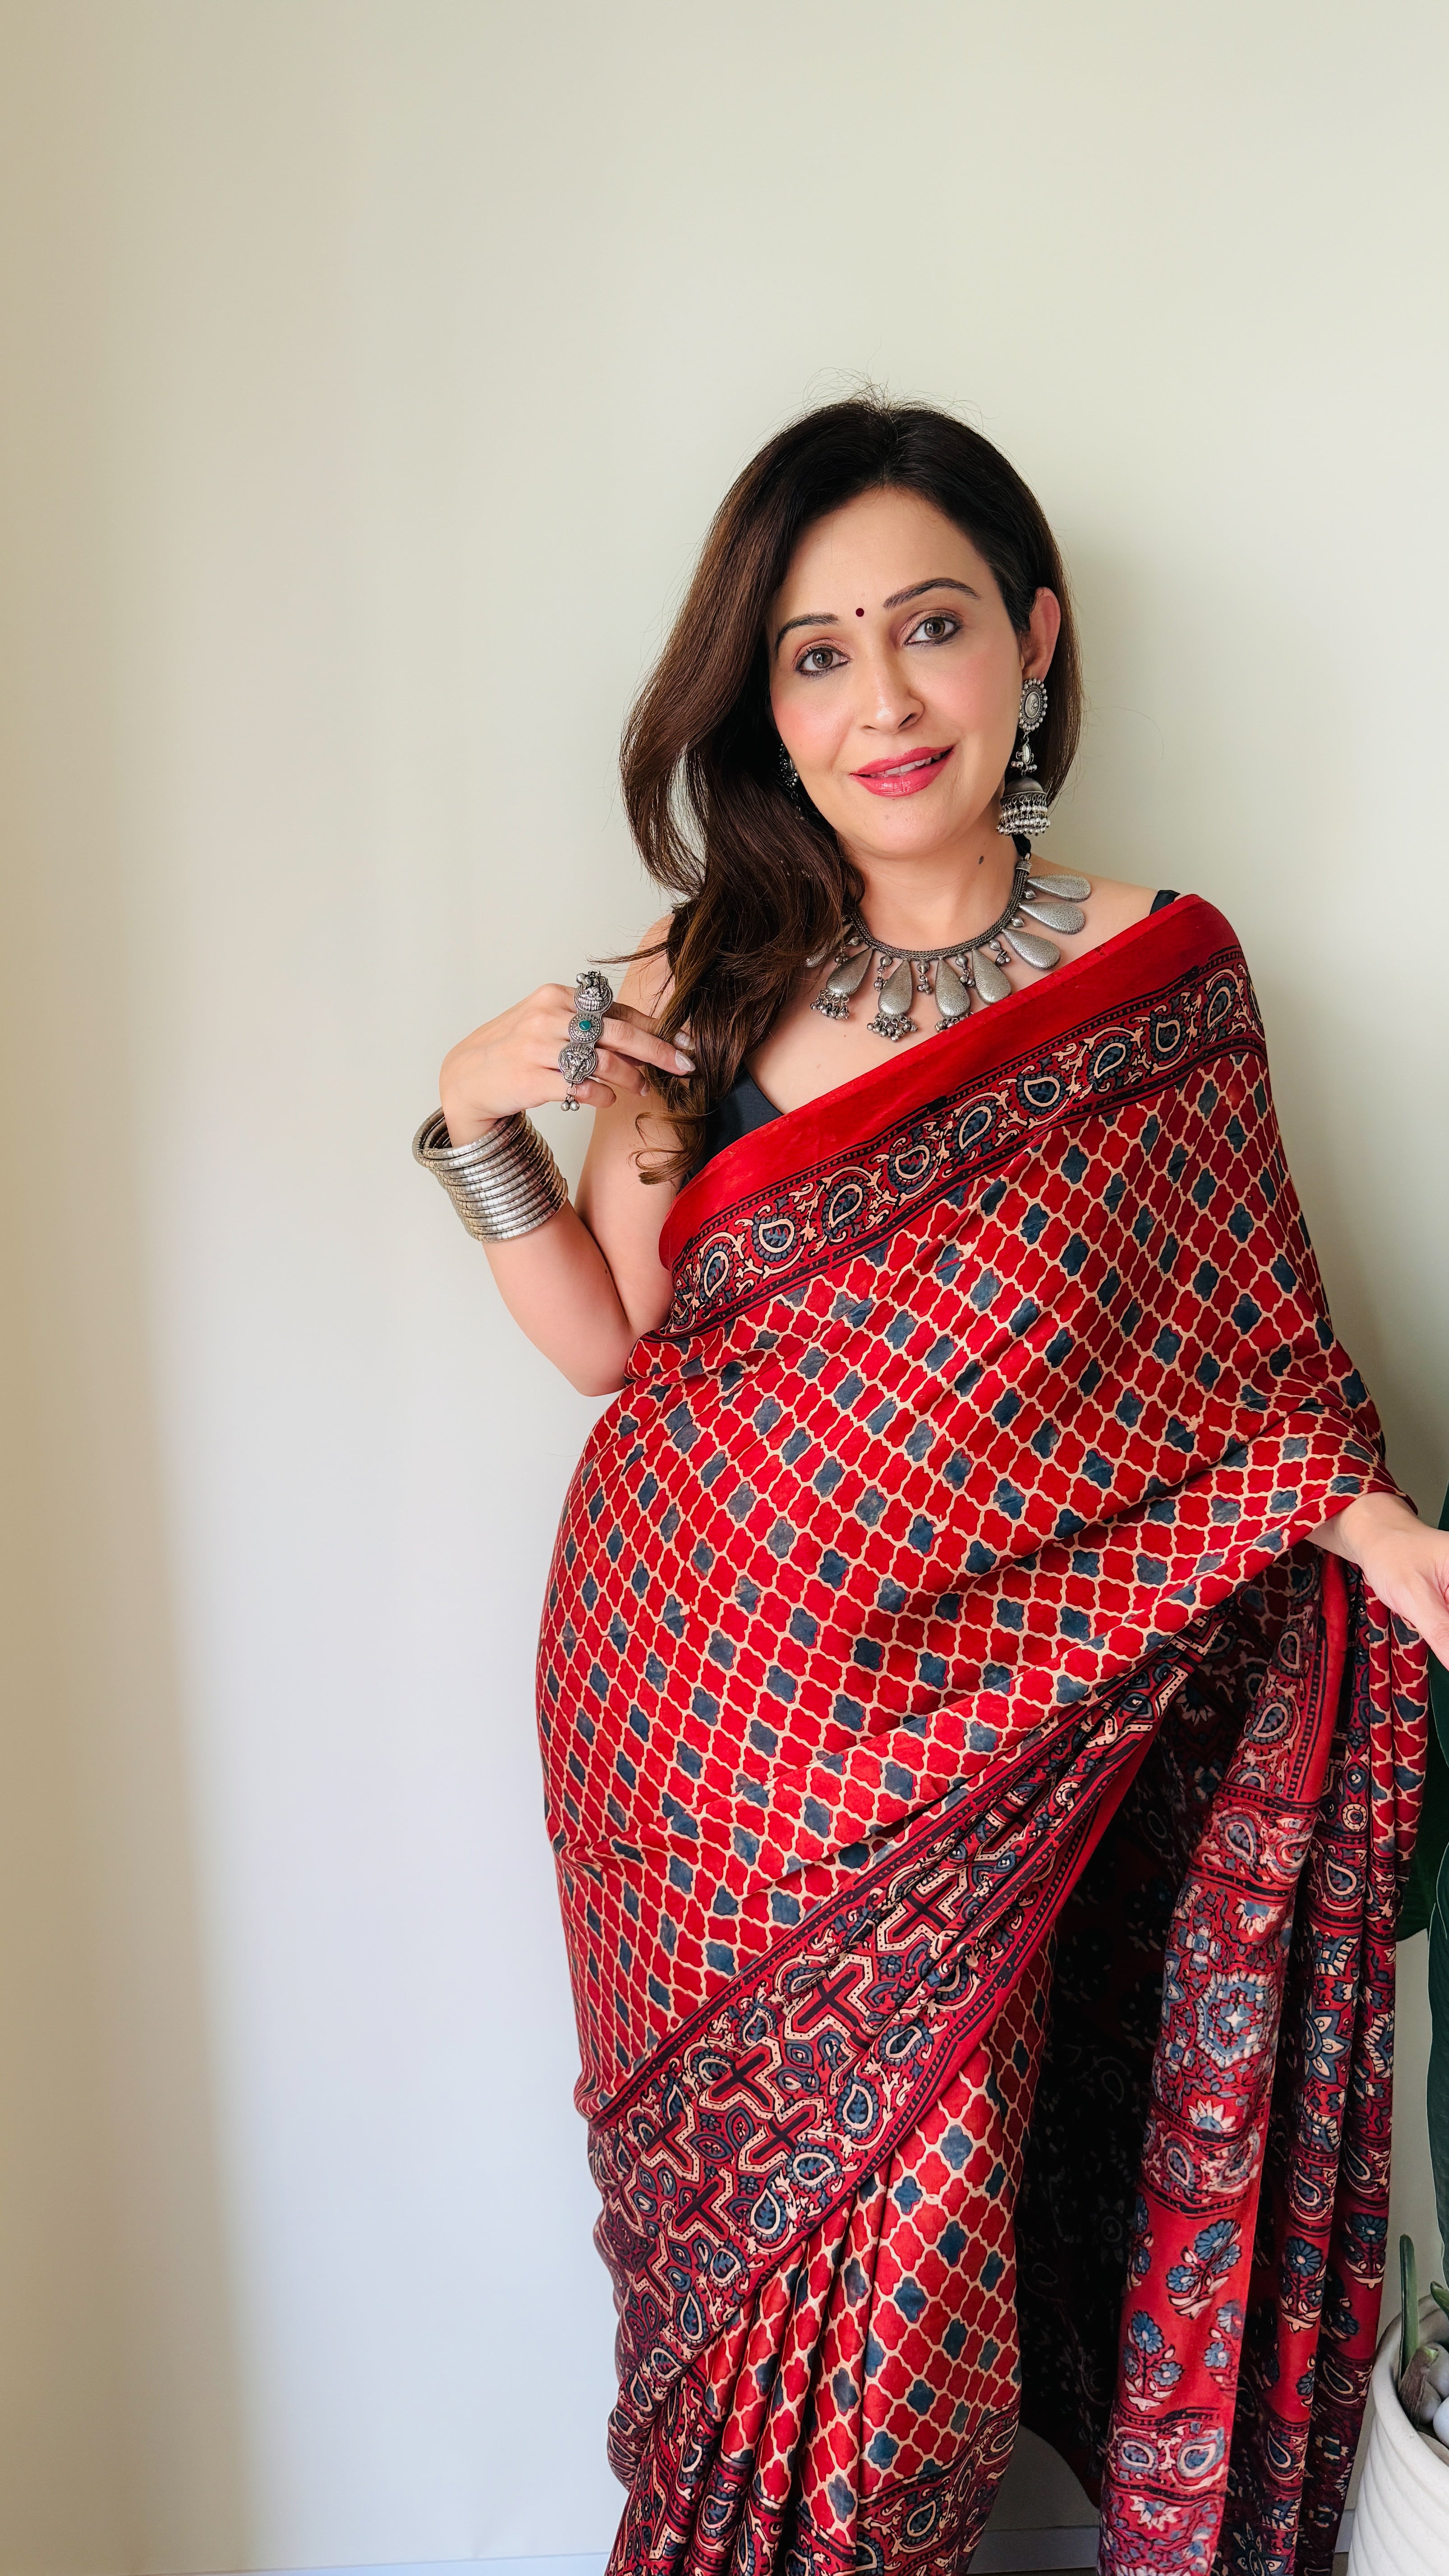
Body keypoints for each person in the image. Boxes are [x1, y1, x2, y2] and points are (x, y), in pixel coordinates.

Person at [417, 399, 1445, 2576]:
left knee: (923, 2306)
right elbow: (618, 1346)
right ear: (762, 706)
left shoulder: (1164, 974)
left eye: (932, 627)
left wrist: (1383, 1540)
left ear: (1035, 642)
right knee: (747, 2324)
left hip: (996, 1736)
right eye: (811, 654)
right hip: (703, 1742)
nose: (880, 699)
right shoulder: (703, 982)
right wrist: (475, 1123)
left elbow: (1258, 1370)